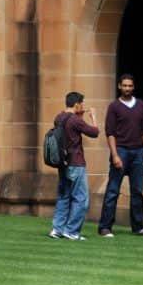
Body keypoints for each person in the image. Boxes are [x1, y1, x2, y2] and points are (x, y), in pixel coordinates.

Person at [98, 74, 143, 238]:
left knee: (137, 191)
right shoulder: (114, 106)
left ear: (134, 87)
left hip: (138, 151)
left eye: (130, 86)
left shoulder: (140, 105)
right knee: (113, 190)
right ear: (119, 86)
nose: (127, 89)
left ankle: (138, 227)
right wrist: (115, 155)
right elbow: (110, 133)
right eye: (124, 86)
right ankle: (105, 227)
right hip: (121, 150)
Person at [49, 91, 99, 241]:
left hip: (63, 163)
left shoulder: (59, 117)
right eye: (82, 104)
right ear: (77, 104)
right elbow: (94, 132)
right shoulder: (75, 120)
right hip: (76, 163)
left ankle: (57, 229)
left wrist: (80, 116)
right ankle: (72, 231)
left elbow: (70, 131)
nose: (83, 106)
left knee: (64, 197)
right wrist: (94, 117)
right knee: (81, 199)